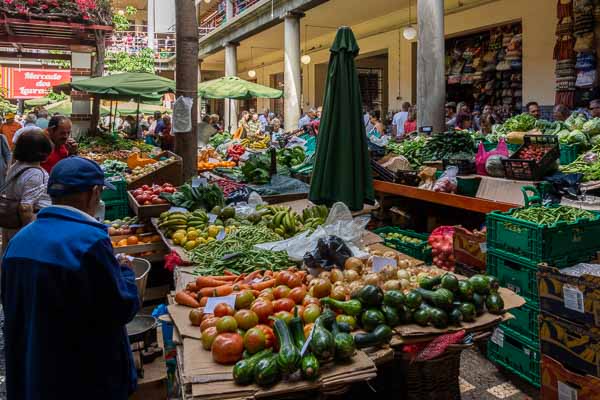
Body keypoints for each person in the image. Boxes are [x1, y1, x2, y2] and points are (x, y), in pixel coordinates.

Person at [1, 156, 140, 400]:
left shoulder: (17, 243)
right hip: (82, 379)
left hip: (32, 374)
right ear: (94, 193)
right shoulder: (89, 241)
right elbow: (120, 307)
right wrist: (126, 272)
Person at [1, 128, 52, 253]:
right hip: (28, 224)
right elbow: (25, 207)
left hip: (11, 225)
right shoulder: (35, 173)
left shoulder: (15, 167)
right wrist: (29, 235)